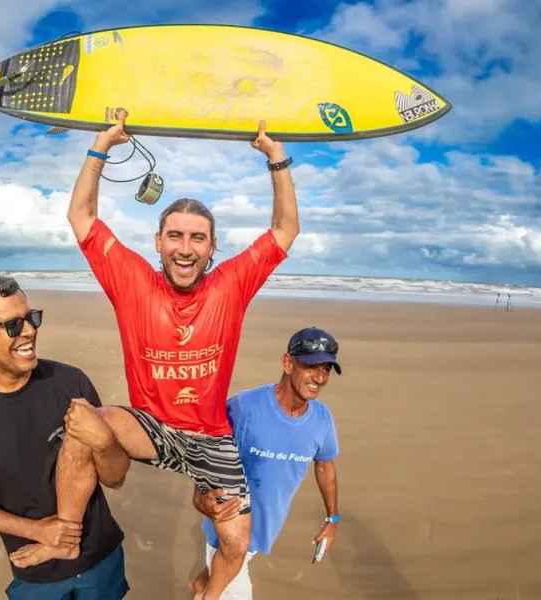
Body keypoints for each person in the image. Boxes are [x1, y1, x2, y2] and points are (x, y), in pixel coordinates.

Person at [59, 109, 301, 600]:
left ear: (212, 248)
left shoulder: (230, 285)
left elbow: (284, 231)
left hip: (210, 435)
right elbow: (81, 218)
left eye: (197, 238)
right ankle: (63, 534)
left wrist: (276, 158)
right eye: (175, 235)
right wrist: (101, 145)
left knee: (236, 540)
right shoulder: (133, 281)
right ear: (159, 242)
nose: (185, 248)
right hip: (149, 426)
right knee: (83, 423)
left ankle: (206, 595)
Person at [0, 274, 129, 600]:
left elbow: (116, 477)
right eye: (13, 325)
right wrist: (36, 531)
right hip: (36, 574)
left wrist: (105, 443)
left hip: (101, 558)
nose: (29, 331)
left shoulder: (71, 382)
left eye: (32, 318)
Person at [188, 326, 342, 599]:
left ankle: (201, 587)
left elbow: (324, 465)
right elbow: (207, 450)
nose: (319, 377)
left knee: (212, 582)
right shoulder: (243, 408)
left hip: (265, 528)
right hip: (229, 528)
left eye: (326, 369)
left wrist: (332, 518)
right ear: (287, 363)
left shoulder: (322, 419)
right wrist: (199, 497)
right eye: (310, 366)